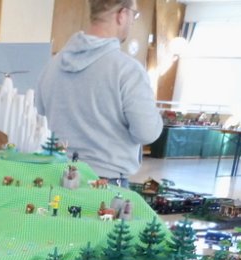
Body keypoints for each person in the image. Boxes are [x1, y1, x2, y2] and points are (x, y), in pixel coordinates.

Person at [34, 0, 162, 186]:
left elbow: (38, 117)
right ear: (122, 14)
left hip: (54, 178)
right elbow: (147, 133)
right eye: (133, 15)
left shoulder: (53, 65)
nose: (132, 21)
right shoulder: (128, 70)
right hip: (104, 183)